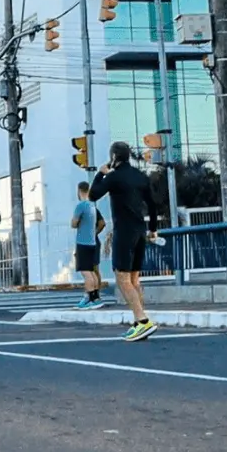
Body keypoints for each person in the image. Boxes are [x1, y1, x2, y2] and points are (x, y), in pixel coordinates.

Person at [88, 141, 158, 342]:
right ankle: (139, 323)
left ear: (113, 157)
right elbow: (152, 205)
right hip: (140, 231)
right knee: (134, 279)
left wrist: (100, 173)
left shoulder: (113, 177)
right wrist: (153, 229)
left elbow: (93, 195)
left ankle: (142, 320)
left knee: (122, 278)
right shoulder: (140, 176)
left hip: (124, 231)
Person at [72, 182, 104, 309]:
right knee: (92, 271)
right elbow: (101, 223)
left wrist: (77, 221)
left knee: (86, 273)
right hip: (92, 242)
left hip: (83, 243)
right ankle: (96, 297)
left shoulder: (80, 206)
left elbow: (73, 223)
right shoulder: (92, 206)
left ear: (79, 190)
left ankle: (89, 298)